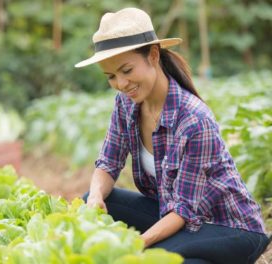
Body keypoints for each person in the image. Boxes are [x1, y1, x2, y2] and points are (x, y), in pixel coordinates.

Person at [75, 7, 270, 264]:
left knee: (157, 258)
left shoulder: (194, 120)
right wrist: (97, 196)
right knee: (92, 198)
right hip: (176, 217)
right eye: (111, 76)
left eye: (127, 70)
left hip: (229, 227)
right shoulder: (125, 104)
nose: (121, 84)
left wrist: (135, 245)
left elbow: (182, 211)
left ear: (153, 55)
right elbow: (108, 164)